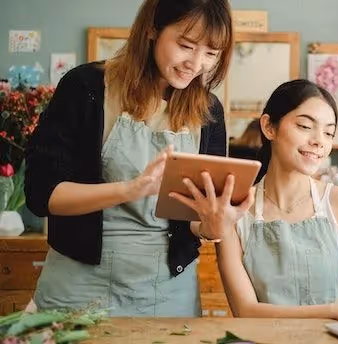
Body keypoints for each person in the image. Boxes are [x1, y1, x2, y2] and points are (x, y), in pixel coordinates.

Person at [24, 0, 253, 317]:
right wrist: (129, 190)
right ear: (152, 29)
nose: (196, 63)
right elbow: (42, 194)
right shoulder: (85, 88)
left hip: (169, 293)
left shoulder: (209, 110)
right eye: (186, 45)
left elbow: (196, 223)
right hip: (77, 287)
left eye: (211, 54)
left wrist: (214, 225)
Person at [211, 79, 338, 320]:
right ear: (269, 127)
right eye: (305, 126)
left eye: (329, 132)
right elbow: (246, 311)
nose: (319, 140)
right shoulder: (233, 211)